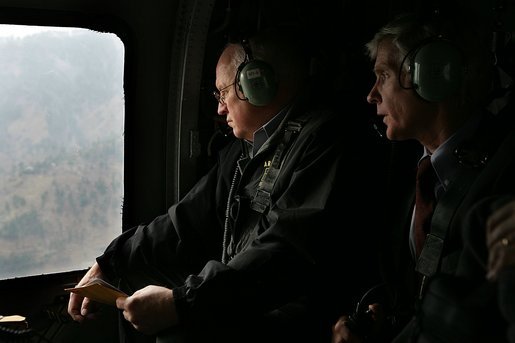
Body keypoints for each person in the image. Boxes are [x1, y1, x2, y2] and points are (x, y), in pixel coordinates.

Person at [68, 28, 378, 343]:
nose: (219, 109)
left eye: (223, 92)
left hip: (291, 308)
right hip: (246, 292)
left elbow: (284, 252)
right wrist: (112, 262)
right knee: (131, 285)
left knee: (175, 332)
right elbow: (185, 221)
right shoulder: (244, 152)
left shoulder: (324, 141)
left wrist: (182, 303)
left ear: (257, 85)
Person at [332, 3, 515, 342]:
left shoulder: (504, 172)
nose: (372, 95)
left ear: (433, 73)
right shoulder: (404, 170)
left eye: (384, 76)